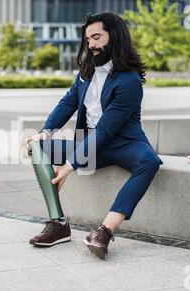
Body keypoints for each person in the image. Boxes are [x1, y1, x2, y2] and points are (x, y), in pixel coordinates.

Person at [22, 12, 163, 260]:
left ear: (115, 36)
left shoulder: (129, 81)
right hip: (90, 145)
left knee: (149, 161)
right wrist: (44, 133)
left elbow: (105, 130)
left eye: (96, 37)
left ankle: (104, 231)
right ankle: (58, 223)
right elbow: (67, 103)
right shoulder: (86, 71)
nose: (91, 45)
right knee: (36, 148)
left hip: (124, 144)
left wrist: (69, 165)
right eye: (88, 40)